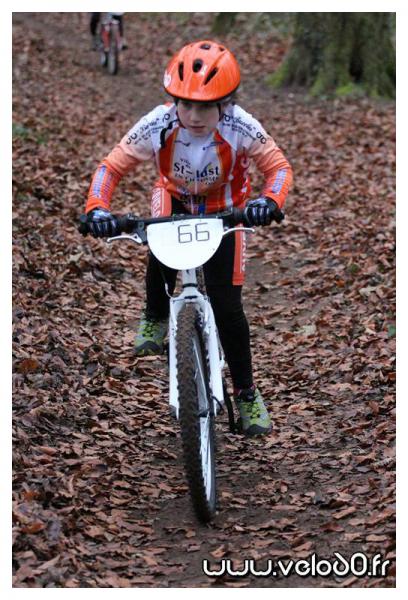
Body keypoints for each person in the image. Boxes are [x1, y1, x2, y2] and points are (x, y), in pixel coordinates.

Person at [83, 40, 293, 436]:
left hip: (226, 210)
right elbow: (111, 167)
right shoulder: (158, 123)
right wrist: (97, 208)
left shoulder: (240, 125)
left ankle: (246, 393)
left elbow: (278, 168)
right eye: (186, 104)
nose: (194, 116)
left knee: (228, 306)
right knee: (158, 236)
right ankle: (155, 314)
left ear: (225, 104)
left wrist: (269, 201)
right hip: (175, 199)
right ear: (174, 101)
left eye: (206, 106)